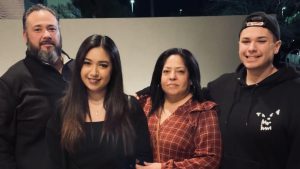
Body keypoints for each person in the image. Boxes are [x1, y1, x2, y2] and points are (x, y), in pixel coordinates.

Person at [206, 12, 300, 169]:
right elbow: (186, 96)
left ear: (276, 47)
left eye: (261, 41)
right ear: (239, 46)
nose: (251, 48)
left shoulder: (295, 93)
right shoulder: (220, 86)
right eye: (245, 41)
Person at [46, 34, 153, 169]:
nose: (94, 72)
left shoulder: (130, 107)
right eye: (87, 63)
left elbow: (143, 162)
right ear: (79, 66)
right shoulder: (62, 109)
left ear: (113, 69)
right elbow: (56, 163)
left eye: (103, 65)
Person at [0, 4, 73, 169]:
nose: (46, 35)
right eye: (38, 29)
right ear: (25, 36)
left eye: (52, 28)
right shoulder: (11, 81)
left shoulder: (80, 72)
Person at [136, 48, 221, 169]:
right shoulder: (145, 103)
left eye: (180, 72)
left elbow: (210, 160)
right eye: (166, 71)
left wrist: (164, 167)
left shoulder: (203, 112)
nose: (172, 77)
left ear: (191, 78)